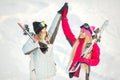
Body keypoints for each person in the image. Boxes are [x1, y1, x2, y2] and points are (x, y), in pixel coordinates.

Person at [59, 3, 100, 80]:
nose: (80, 33)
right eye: (80, 31)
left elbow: (96, 61)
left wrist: (86, 60)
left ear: (88, 35)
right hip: (73, 73)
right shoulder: (76, 43)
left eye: (83, 32)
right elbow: (67, 32)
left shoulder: (93, 46)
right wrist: (64, 18)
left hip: (83, 74)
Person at [22, 10, 61, 80]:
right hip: (38, 76)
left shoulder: (48, 39)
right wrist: (37, 44)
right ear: (39, 31)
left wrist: (59, 13)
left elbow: (54, 26)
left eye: (45, 28)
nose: (45, 30)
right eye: (43, 28)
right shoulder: (33, 41)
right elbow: (24, 50)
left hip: (50, 74)